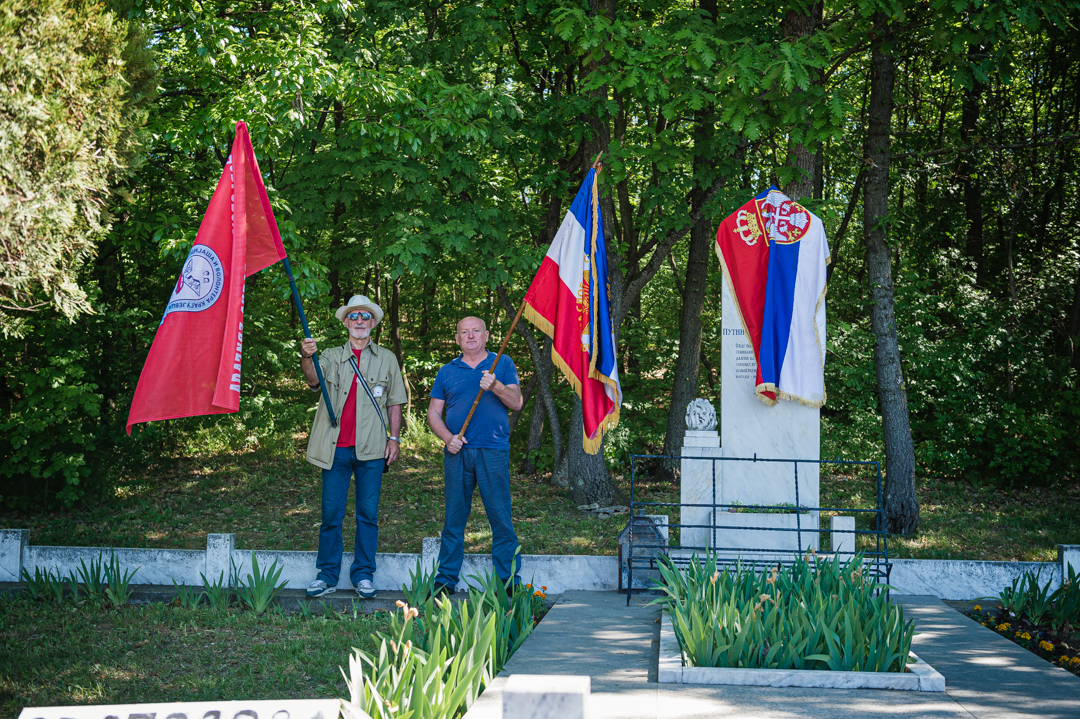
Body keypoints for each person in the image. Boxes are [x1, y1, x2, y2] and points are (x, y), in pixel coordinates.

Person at [299, 294, 406, 599]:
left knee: (367, 514)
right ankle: (327, 574)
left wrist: (394, 438)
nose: (360, 321)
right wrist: (307, 356)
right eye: (354, 316)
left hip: (372, 451)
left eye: (365, 316)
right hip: (335, 450)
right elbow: (312, 381)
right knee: (331, 514)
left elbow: (395, 400)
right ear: (345, 322)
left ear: (373, 323)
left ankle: (363, 575)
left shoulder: (386, 358)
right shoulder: (331, 355)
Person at [426, 316, 524, 596]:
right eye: (464, 332)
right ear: (457, 339)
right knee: (454, 518)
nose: (470, 336)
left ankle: (508, 583)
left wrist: (495, 386)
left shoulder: (502, 364)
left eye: (476, 331)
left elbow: (516, 402)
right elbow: (433, 413)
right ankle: (445, 581)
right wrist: (448, 438)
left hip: (493, 450)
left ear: (486, 335)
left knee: (500, 517)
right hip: (458, 453)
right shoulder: (447, 371)